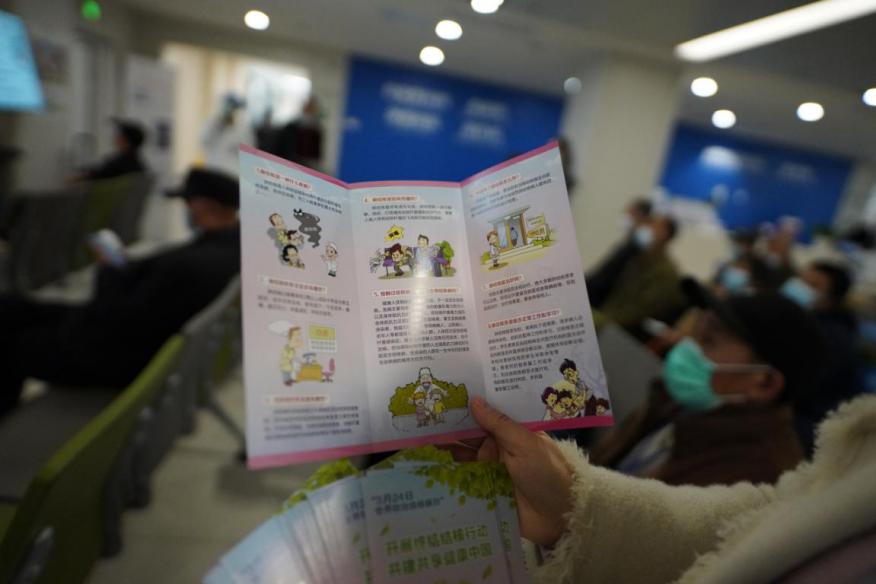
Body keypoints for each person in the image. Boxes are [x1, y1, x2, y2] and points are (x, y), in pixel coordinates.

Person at [451, 392, 876, 584]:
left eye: (712, 338)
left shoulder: (757, 454)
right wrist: (572, 508)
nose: (685, 343)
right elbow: (763, 522)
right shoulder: (669, 411)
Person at [0, 168, 240, 416]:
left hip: (113, 353)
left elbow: (111, 316)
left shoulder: (187, 265)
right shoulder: (232, 250)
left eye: (188, 203)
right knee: (11, 306)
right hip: (142, 339)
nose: (186, 210)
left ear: (206, 206)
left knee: (12, 340)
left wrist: (108, 270)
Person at [590, 278, 825, 487]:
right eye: (694, 332)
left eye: (708, 340)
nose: (685, 347)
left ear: (764, 384)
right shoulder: (677, 403)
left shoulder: (755, 480)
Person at [783, 261, 862, 456]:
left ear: (832, 299)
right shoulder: (802, 322)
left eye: (812, 285)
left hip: (814, 423)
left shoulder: (832, 338)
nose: (800, 288)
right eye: (801, 280)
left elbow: (803, 387)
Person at [592, 214, 686, 339]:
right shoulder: (635, 256)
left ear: (665, 234)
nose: (646, 228)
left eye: (654, 225)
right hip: (605, 319)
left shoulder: (666, 273)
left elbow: (635, 314)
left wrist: (596, 321)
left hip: (622, 333)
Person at [586, 198, 652, 308]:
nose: (626, 216)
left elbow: (611, 275)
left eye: (630, 213)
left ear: (640, 215)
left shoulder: (636, 245)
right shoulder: (630, 242)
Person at [74, 118, 147, 181]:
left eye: (120, 136)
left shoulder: (118, 163)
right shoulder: (138, 165)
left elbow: (96, 175)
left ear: (127, 142)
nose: (116, 138)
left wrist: (77, 177)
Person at [201, 93, 253, 175]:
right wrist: (218, 122)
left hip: (233, 173)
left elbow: (249, 152)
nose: (230, 112)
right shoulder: (212, 123)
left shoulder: (242, 127)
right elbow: (204, 141)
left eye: (233, 109)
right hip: (213, 169)